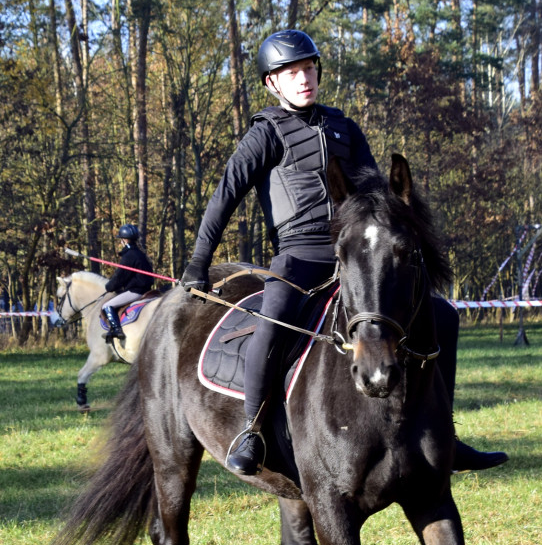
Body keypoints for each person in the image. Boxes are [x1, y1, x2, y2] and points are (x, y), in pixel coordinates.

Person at [180, 29, 508, 476]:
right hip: (297, 258)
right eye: (291, 72)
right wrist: (200, 260)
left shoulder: (343, 127)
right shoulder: (265, 134)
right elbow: (225, 196)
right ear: (272, 83)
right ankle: (253, 430)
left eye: (309, 69)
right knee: (271, 327)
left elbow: (374, 193)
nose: (304, 79)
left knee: (444, 317)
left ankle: (443, 433)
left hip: (355, 255)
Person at [103, 224, 154, 343]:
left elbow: (119, 277)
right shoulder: (141, 254)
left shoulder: (129, 256)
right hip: (148, 290)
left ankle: (116, 330)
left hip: (136, 292)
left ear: (124, 240)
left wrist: (109, 287)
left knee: (107, 306)